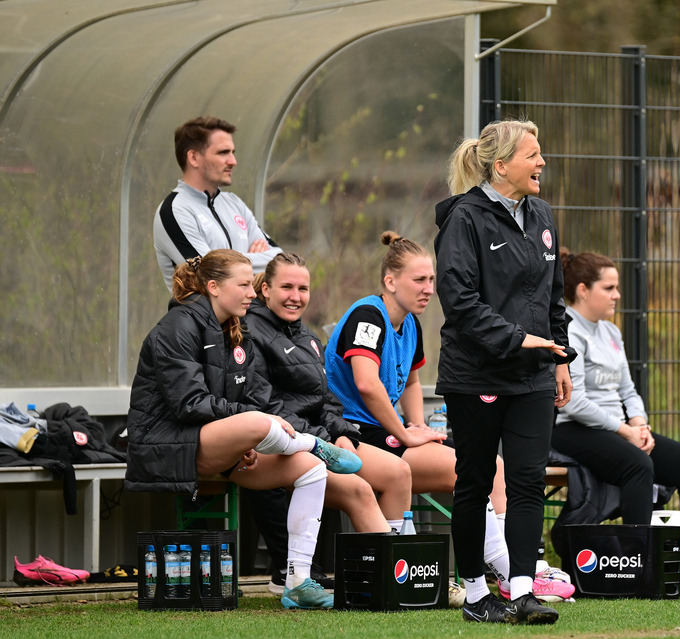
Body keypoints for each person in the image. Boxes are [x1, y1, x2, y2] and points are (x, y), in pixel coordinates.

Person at [324, 233, 574, 604]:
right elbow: (367, 383)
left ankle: (521, 570)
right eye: (419, 280)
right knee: (467, 470)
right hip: (352, 431)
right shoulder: (368, 316)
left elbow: (411, 380)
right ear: (390, 281)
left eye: (431, 279)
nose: (430, 289)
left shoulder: (409, 322)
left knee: (493, 468)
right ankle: (506, 572)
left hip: (385, 432)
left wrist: (416, 424)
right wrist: (405, 434)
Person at [124, 249, 364, 609]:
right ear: (214, 287)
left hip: (218, 444)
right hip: (166, 445)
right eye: (243, 285)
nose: (253, 292)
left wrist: (244, 434)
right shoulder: (177, 327)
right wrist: (247, 425)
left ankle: (297, 581)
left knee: (311, 470)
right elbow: (189, 404)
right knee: (258, 420)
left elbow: (242, 398)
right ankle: (310, 442)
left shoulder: (236, 330)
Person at [434, 119, 575, 625]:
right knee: (474, 483)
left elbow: (554, 296)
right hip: (476, 375)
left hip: (534, 374)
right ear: (500, 166)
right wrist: (516, 338)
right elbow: (459, 301)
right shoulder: (464, 218)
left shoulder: (543, 214)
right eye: (532, 155)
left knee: (528, 482)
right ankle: (476, 596)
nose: (542, 163)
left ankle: (522, 592)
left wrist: (560, 357)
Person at [246, 253, 409, 594]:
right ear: (265, 289)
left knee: (398, 472)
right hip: (281, 444)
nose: (295, 297)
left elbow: (326, 399)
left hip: (321, 439)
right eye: (286, 287)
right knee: (359, 490)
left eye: (303, 289)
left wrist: (343, 433)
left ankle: (401, 569)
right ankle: (395, 581)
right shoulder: (249, 332)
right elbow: (266, 406)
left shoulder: (306, 337)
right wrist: (323, 438)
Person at [553, 249, 680, 542]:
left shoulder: (611, 332)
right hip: (573, 428)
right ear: (583, 290)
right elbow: (573, 403)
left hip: (619, 429)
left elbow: (627, 390)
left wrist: (640, 426)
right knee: (638, 465)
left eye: (616, 287)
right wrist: (625, 431)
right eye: (609, 288)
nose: (617, 295)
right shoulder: (567, 330)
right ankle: (639, 559)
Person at [153, 116, 282, 291]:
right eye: (223, 152)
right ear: (193, 158)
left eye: (233, 152)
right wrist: (251, 260)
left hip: (247, 309)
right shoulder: (174, 211)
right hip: (202, 311)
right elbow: (210, 274)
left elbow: (279, 261)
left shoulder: (234, 203)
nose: (233, 161)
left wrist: (231, 263)